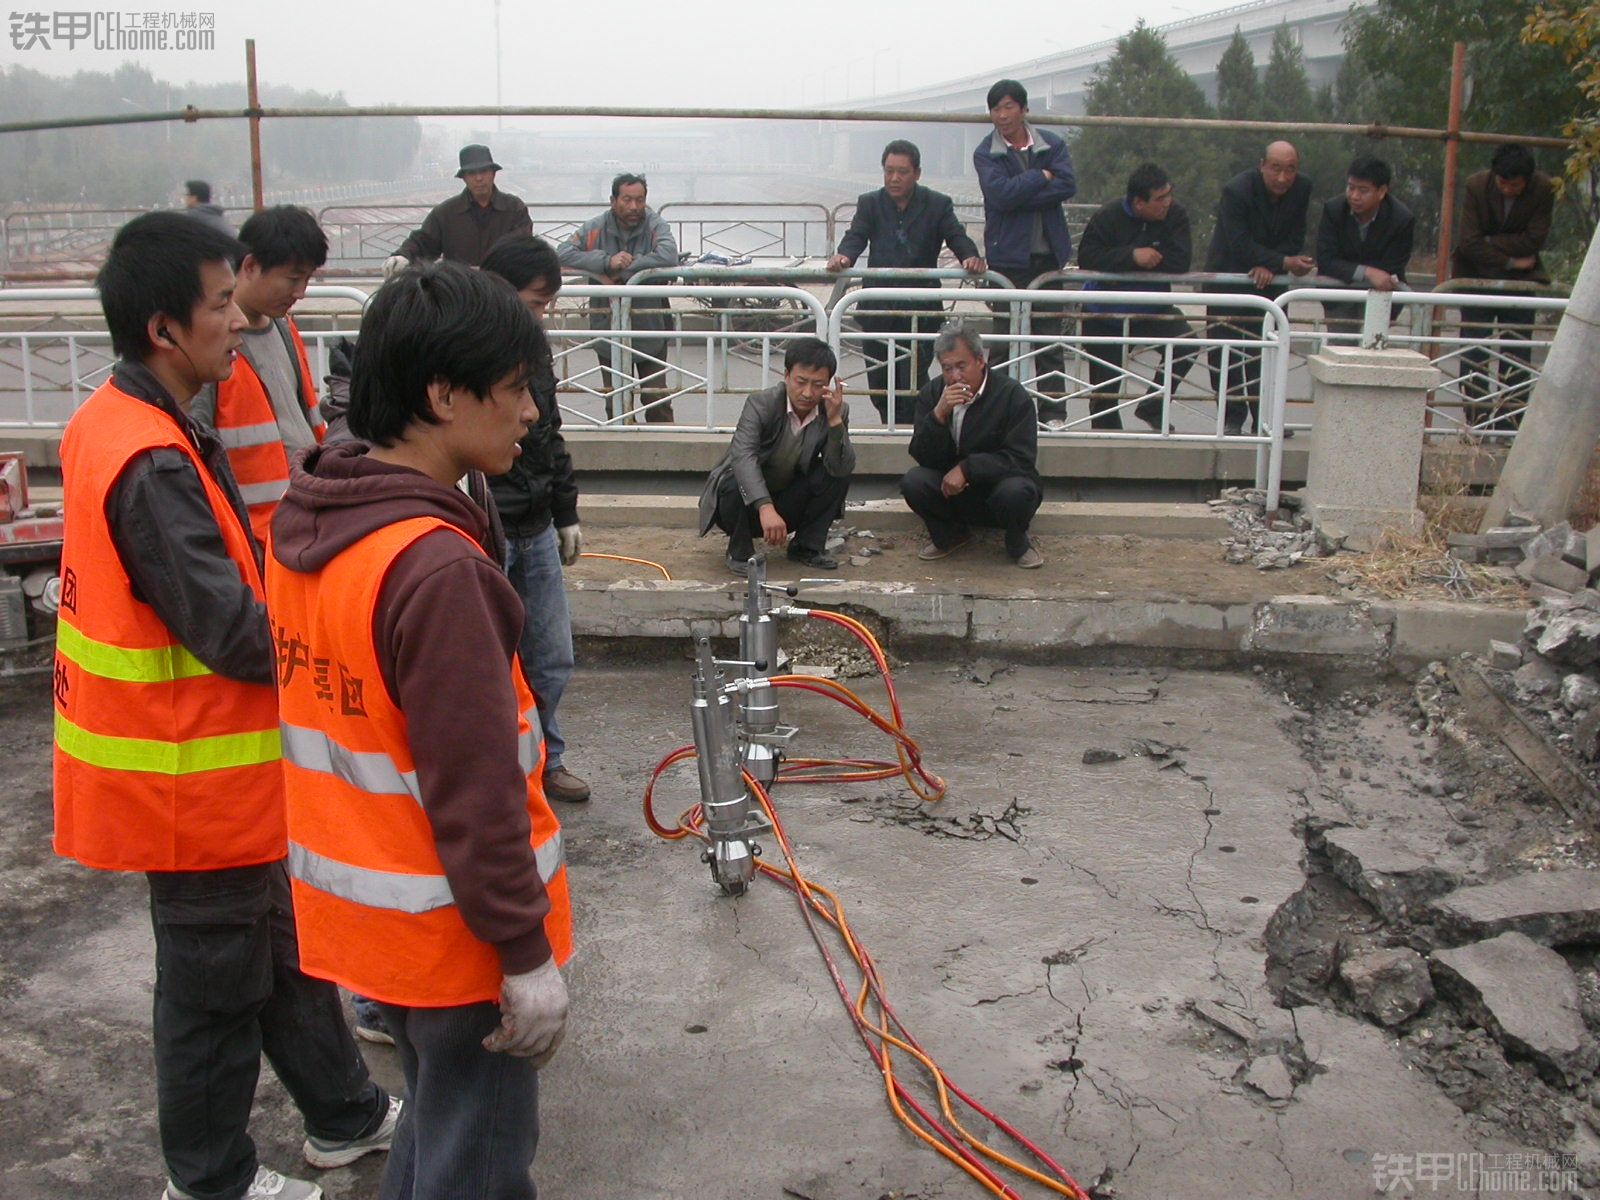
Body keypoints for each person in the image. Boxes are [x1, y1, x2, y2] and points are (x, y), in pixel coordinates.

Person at [53, 212, 396, 1200]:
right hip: (184, 783)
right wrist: (348, 637)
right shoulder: (148, 458)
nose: (236, 324)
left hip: (223, 778)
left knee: (282, 956)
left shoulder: (126, 420)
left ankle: (345, 1116)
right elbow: (235, 632)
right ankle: (208, 1184)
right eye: (217, 305)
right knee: (212, 993)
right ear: (164, 329)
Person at [265, 260, 573, 1200]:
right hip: (455, 943)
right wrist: (524, 957)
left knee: (433, 1137)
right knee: (474, 1163)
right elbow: (474, 793)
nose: (529, 414)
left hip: (368, 927)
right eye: (516, 390)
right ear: (443, 395)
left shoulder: (318, 520)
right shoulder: (434, 570)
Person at [480, 235, 591, 805]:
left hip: (536, 524)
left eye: (545, 307)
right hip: (486, 521)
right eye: (533, 304)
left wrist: (565, 511)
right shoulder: (467, 352)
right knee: (489, 658)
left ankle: (547, 759)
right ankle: (500, 771)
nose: (540, 317)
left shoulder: (536, 354)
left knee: (549, 655)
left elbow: (548, 435)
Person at [191, 204, 327, 544]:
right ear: (250, 266)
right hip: (252, 535)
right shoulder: (212, 346)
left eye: (308, 279)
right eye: (293, 278)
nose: (300, 292)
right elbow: (196, 452)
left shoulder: (284, 330)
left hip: (303, 521)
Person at [827, 139, 985, 424]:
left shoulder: (937, 204)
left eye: (902, 172)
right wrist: (843, 257)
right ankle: (892, 424)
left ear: (917, 173)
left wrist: (970, 257)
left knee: (912, 383)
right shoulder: (870, 203)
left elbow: (956, 236)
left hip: (919, 310)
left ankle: (910, 431)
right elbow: (856, 236)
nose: (894, 178)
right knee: (879, 383)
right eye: (889, 171)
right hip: (878, 310)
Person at [697, 337, 854, 576]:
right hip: (745, 505)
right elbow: (743, 457)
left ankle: (806, 547)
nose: (807, 393)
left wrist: (835, 422)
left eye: (818, 384)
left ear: (829, 384)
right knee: (732, 481)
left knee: (832, 474)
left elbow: (841, 467)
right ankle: (739, 552)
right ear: (787, 375)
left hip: (788, 499)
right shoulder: (761, 404)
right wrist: (764, 506)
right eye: (801, 382)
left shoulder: (833, 410)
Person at [900, 319, 1043, 569]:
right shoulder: (933, 394)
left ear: (980, 360)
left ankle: (1017, 542)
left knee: (1018, 491)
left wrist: (968, 468)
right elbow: (921, 454)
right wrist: (938, 415)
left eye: (961, 366)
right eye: (947, 368)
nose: (955, 376)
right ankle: (951, 536)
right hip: (952, 490)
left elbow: (1021, 458)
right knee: (914, 481)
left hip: (997, 486)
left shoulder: (1011, 395)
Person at [972, 79, 1077, 416]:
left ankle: (1053, 412)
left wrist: (1022, 192)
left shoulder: (1052, 144)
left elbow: (1067, 185)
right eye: (995, 109)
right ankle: (997, 411)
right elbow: (1000, 196)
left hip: (1047, 258)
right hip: (1007, 259)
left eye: (1008, 107)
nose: (1002, 115)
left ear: (1024, 108)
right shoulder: (986, 152)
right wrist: (1040, 177)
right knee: (1003, 342)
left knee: (1049, 340)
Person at [1077, 162, 1204, 432]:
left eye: (1169, 194)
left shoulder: (1175, 215)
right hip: (1105, 312)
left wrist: (1150, 259)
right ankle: (1107, 447)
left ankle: (1152, 405)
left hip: (1152, 307)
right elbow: (1087, 256)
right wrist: (1132, 255)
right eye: (1160, 199)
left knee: (1186, 345)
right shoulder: (1108, 216)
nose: (1167, 203)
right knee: (1105, 395)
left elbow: (1181, 260)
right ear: (1138, 203)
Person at [1204, 140, 1315, 435]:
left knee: (1267, 349)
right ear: (1262, 165)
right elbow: (1237, 242)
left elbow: (1296, 235)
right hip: (1228, 276)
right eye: (1275, 169)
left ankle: (1265, 419)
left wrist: (1276, 264)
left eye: (1290, 170)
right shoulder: (1236, 190)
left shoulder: (1302, 189)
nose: (1282, 178)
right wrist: (1280, 261)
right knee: (1225, 350)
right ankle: (1231, 418)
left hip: (1271, 282)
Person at [557, 172, 679, 423]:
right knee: (616, 402)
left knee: (656, 398)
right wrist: (605, 261)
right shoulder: (596, 227)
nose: (634, 207)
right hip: (607, 325)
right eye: (627, 200)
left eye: (639, 200)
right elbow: (563, 252)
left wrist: (628, 267)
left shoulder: (655, 224)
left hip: (650, 326)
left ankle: (661, 448)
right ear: (613, 200)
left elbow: (668, 255)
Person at [1451, 143, 1555, 430]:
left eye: (1515, 185)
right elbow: (1468, 242)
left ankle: (1510, 426)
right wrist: (1510, 260)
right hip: (1475, 279)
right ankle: (1477, 426)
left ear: (1528, 180)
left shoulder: (1544, 189)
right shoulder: (1477, 185)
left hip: (1520, 285)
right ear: (1494, 176)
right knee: (1474, 353)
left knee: (1516, 354)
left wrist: (1489, 242)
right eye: (1503, 183)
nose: (1508, 189)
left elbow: (1535, 240)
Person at [385, 144, 532, 271]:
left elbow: (523, 248)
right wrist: (402, 256)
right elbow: (423, 242)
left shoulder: (514, 209)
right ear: (464, 178)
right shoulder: (445, 213)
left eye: (483, 172)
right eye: (472, 173)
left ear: (493, 174)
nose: (479, 178)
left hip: (503, 289)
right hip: (460, 291)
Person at [1315, 155, 1415, 334]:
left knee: (1371, 349)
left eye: (1363, 190)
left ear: (1382, 191)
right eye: (1351, 188)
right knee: (1340, 349)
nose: (1354, 196)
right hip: (1339, 294)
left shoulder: (1402, 219)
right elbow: (1325, 259)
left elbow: (1394, 264)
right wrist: (1367, 272)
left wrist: (1358, 271)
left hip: (1381, 295)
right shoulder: (1334, 209)